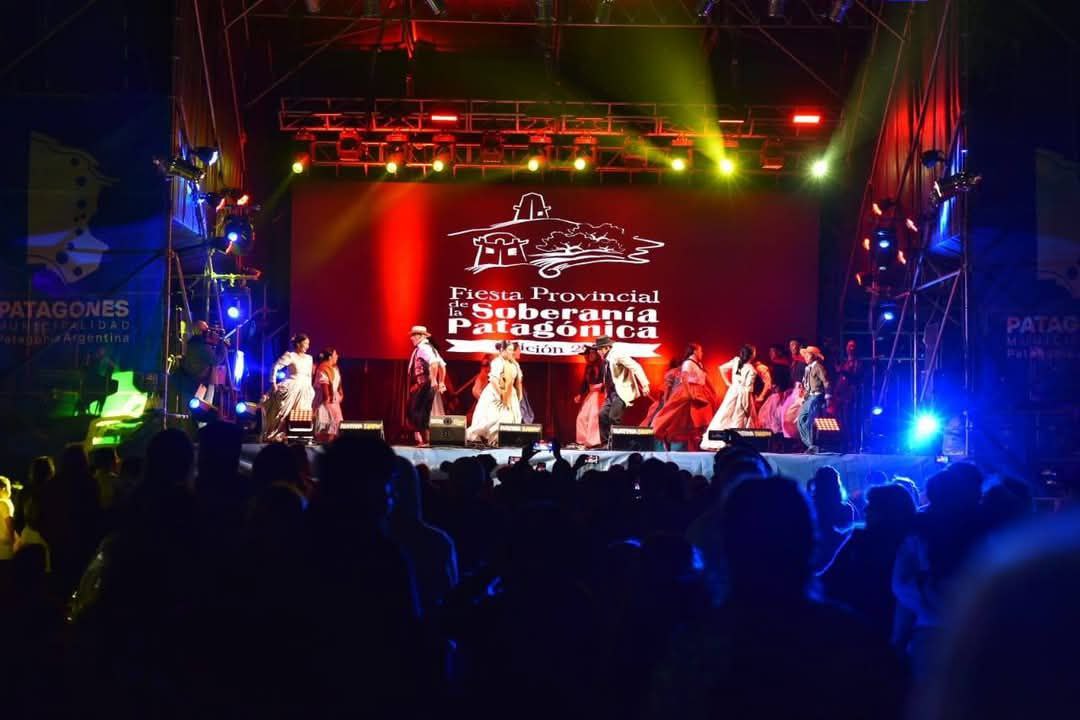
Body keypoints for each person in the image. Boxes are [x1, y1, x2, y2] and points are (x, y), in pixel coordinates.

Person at [651, 343, 720, 452]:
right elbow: (684, 379)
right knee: (679, 420)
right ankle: (668, 440)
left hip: (700, 392)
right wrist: (690, 394)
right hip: (691, 392)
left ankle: (694, 446)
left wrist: (712, 392)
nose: (702, 353)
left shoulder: (698, 364)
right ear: (695, 351)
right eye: (700, 351)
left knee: (697, 422)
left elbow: (705, 379)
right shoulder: (687, 364)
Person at [595, 336, 650, 448]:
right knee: (602, 415)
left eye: (600, 349)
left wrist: (645, 384)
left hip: (621, 392)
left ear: (606, 348)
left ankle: (618, 444)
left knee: (613, 417)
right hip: (611, 393)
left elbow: (636, 366)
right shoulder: (606, 358)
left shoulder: (617, 354)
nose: (598, 351)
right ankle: (606, 444)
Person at [701, 345, 758, 451]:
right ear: (752, 355)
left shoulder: (736, 361)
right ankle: (735, 444)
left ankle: (717, 440)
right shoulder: (751, 370)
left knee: (725, 414)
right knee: (739, 418)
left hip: (732, 392)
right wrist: (747, 407)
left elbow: (721, 368)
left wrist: (728, 383)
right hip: (742, 395)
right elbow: (747, 389)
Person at [466, 340, 523, 445]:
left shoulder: (514, 364)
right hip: (496, 392)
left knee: (511, 417)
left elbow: (518, 381)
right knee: (495, 417)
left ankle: (504, 440)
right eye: (509, 350)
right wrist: (501, 394)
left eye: (512, 350)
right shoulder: (497, 362)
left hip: (510, 392)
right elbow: (493, 380)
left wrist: (519, 394)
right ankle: (493, 440)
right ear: (503, 350)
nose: (511, 352)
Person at [261, 333, 316, 442]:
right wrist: (273, 383)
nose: (307, 346)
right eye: (305, 343)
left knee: (302, 413)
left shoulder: (309, 358)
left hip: (305, 389)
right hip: (292, 387)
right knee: (283, 413)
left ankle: (299, 437)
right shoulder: (291, 355)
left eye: (308, 344)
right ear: (298, 344)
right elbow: (275, 366)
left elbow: (309, 375)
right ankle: (276, 435)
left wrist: (310, 389)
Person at [405, 325, 444, 447]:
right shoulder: (429, 348)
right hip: (422, 384)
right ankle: (424, 440)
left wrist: (434, 379)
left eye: (414, 335)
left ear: (421, 336)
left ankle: (425, 440)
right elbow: (442, 365)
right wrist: (441, 381)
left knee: (418, 412)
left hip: (425, 384)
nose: (411, 338)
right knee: (419, 411)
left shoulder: (424, 348)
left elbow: (434, 363)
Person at [796, 345, 830, 453]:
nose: (805, 357)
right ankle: (810, 444)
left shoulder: (818, 367)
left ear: (814, 356)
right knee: (801, 420)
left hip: (816, 396)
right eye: (805, 354)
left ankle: (813, 445)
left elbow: (826, 382)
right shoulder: (808, 368)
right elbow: (807, 385)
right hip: (809, 396)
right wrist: (803, 395)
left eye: (808, 354)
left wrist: (828, 397)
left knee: (810, 421)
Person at [833, 339, 863, 450]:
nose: (850, 348)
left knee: (851, 419)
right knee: (842, 420)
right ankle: (844, 442)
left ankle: (853, 443)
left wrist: (843, 371)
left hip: (851, 396)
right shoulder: (845, 362)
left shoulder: (858, 363)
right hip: (842, 395)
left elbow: (855, 377)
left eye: (853, 346)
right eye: (849, 346)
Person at [573, 346, 605, 448]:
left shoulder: (602, 365)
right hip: (591, 393)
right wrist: (580, 394)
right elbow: (585, 383)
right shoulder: (589, 367)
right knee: (582, 417)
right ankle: (582, 440)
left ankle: (594, 441)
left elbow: (606, 379)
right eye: (588, 354)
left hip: (599, 393)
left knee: (594, 417)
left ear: (596, 354)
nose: (589, 356)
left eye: (592, 353)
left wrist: (601, 388)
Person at [756, 345, 791, 433]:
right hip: (777, 393)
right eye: (770, 352)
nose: (770, 354)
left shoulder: (781, 366)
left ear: (779, 352)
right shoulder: (778, 365)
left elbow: (782, 381)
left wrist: (777, 389)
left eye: (772, 352)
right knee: (771, 414)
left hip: (779, 394)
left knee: (773, 414)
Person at [313, 347, 344, 442]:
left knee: (334, 428)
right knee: (325, 428)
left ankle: (330, 447)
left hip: (333, 401)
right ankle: (323, 447)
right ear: (330, 357)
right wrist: (327, 400)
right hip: (325, 401)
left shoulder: (334, 368)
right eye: (335, 354)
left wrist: (340, 393)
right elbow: (324, 387)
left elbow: (338, 384)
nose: (337, 356)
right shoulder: (323, 368)